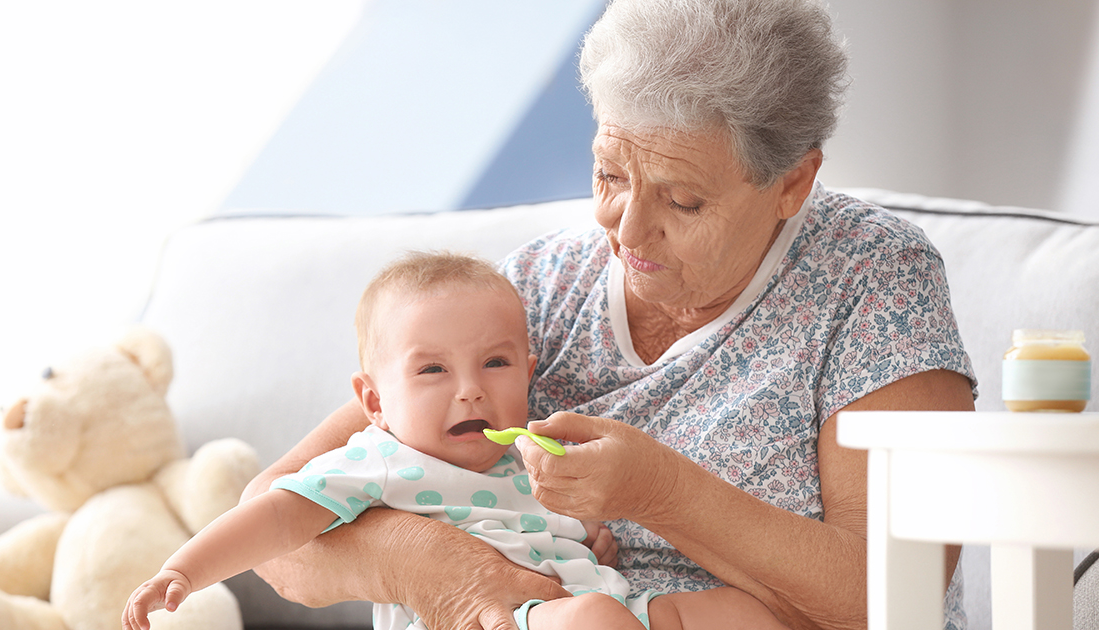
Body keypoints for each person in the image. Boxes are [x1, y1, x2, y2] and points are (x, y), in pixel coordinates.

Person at [239, 1, 978, 629]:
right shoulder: (535, 287)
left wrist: (661, 492)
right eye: (610, 175)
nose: (624, 231)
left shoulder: (873, 278)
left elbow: (898, 592)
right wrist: (436, 568)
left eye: (683, 201)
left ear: (793, 183)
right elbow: (270, 529)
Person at [123, 252, 788, 630]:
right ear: (375, 403)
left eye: (495, 365)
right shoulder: (378, 461)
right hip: (497, 623)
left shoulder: (532, 452)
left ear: (529, 373)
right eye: (433, 370)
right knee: (592, 621)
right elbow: (273, 513)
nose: (470, 390)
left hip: (601, 603)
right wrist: (184, 569)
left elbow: (576, 537)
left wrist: (588, 533)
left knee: (740, 614)